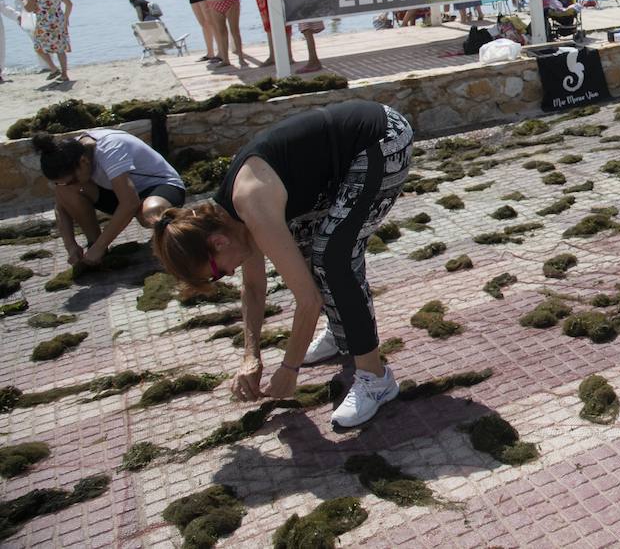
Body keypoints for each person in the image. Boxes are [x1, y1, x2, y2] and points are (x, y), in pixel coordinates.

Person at [151, 101, 413, 428]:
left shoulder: (252, 204)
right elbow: (253, 287)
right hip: (344, 158)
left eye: (217, 272)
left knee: (334, 257)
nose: (228, 274)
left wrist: (289, 370)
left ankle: (376, 379)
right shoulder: (230, 220)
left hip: (382, 139)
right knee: (305, 246)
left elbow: (308, 301)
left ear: (217, 243)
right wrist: (251, 357)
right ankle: (341, 330)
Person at [31, 129, 185, 267]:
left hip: (161, 186)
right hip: (122, 192)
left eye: (72, 180)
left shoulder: (110, 149)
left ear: (83, 162)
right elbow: (61, 206)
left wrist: (101, 246)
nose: (71, 184)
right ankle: (95, 247)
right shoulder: (69, 154)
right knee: (66, 192)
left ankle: (184, 232)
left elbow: (130, 203)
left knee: (149, 214)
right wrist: (70, 246)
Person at [24, 0, 73, 82]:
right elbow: (69, 4)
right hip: (59, 21)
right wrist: (66, 18)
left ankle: (53, 68)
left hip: (44, 23)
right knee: (60, 49)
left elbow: (29, 9)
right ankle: (64, 74)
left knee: (38, 47)